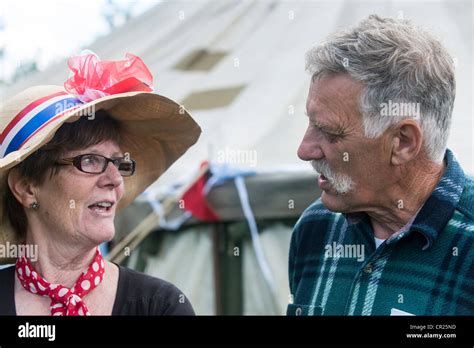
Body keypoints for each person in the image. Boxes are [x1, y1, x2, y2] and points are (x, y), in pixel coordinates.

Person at [288, 15, 473, 316]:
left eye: (330, 132)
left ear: (403, 142)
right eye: (310, 123)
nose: (304, 150)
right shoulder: (315, 228)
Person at [0, 51, 201, 315]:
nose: (115, 179)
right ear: (27, 188)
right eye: (91, 161)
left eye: (118, 163)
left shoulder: (159, 306)